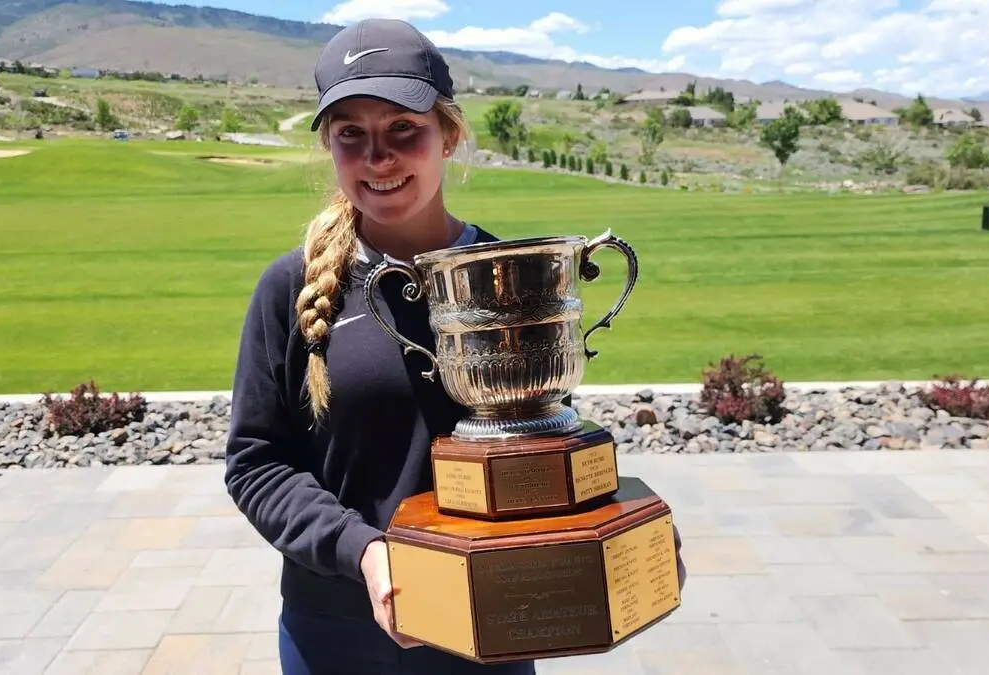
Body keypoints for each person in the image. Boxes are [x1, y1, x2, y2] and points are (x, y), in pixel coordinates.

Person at [224, 17, 685, 675]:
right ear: (329, 146)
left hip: (490, 631)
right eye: (351, 135)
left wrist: (620, 530)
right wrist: (363, 551)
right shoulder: (290, 287)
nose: (378, 157)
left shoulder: (512, 274)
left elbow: (535, 437)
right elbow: (257, 462)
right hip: (339, 629)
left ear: (449, 134)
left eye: (402, 129)